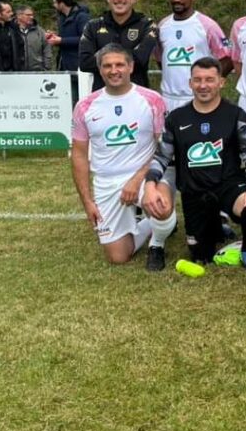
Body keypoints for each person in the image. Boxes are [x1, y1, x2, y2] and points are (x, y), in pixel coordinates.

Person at [145, 57, 246, 277]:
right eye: (198, 80)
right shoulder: (176, 118)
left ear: (221, 82)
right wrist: (150, 185)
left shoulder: (235, 114)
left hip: (228, 185)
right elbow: (161, 156)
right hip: (195, 190)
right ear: (190, 83)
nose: (203, 85)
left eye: (210, 80)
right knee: (201, 256)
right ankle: (215, 228)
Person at [70, 44, 176, 269]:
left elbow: (164, 148)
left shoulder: (152, 99)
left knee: (162, 207)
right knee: (118, 257)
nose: (114, 70)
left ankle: (157, 241)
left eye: (119, 64)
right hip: (107, 182)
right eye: (107, 66)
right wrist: (87, 201)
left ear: (131, 67)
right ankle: (149, 224)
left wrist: (138, 179)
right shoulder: (85, 106)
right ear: (100, 70)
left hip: (147, 175)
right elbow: (79, 155)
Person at [155, 0, 232, 112]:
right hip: (167, 99)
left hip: (197, 99)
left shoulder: (208, 25)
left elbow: (227, 57)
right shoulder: (162, 26)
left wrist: (209, 85)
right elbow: (161, 60)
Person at [79, 0, 158, 91]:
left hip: (137, 101)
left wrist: (102, 55)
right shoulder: (93, 26)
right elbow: (85, 63)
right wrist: (130, 54)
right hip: (102, 100)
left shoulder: (148, 25)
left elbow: (140, 61)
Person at [46, 0, 89, 71]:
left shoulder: (82, 17)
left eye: (55, 3)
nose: (53, 5)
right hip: (64, 62)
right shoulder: (62, 18)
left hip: (77, 63)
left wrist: (61, 40)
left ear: (62, 4)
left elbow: (85, 39)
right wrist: (54, 36)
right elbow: (64, 37)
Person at [15, 5, 51, 72]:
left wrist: (46, 67)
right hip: (16, 72)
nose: (32, 17)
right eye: (28, 15)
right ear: (19, 16)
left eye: (32, 15)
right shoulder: (11, 31)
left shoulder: (40, 31)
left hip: (37, 71)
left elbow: (47, 49)